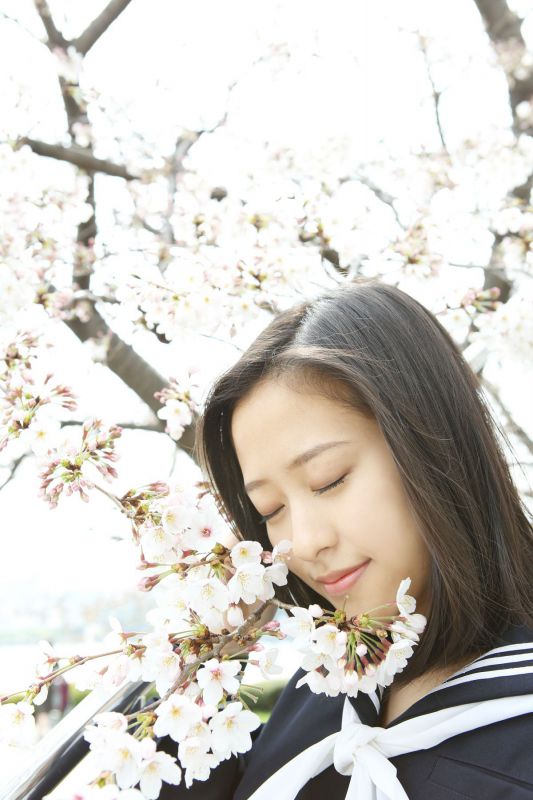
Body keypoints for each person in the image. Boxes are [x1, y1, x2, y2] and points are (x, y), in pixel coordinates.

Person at [161, 278, 533, 799]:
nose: (304, 543)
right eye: (271, 509)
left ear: (435, 447)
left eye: (329, 478)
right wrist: (207, 659)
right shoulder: (326, 687)